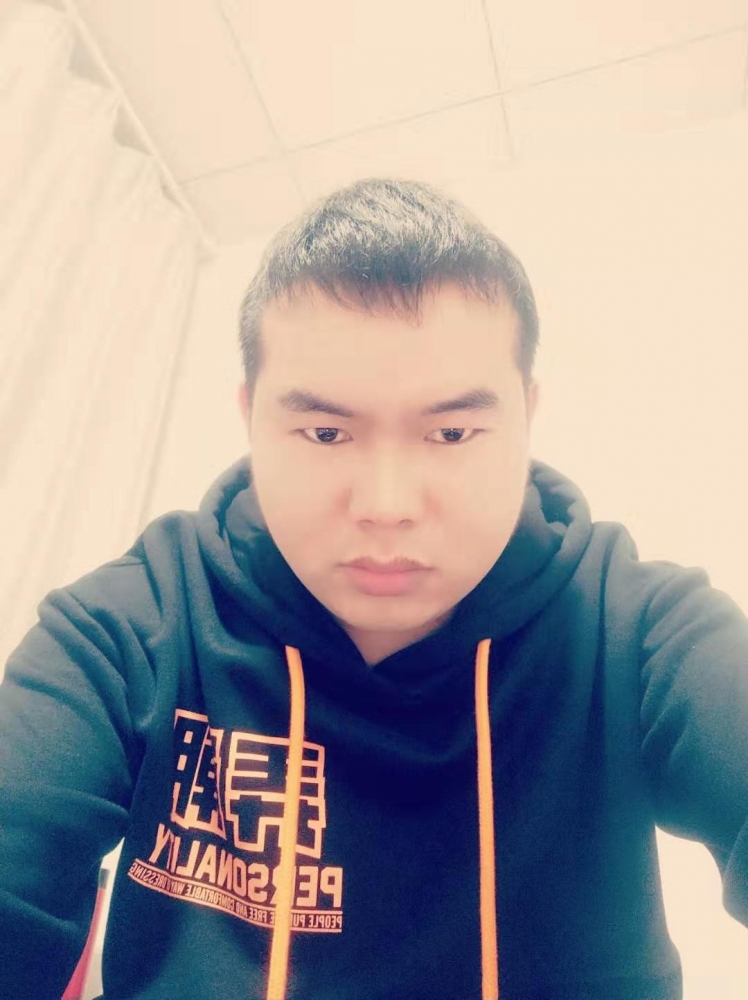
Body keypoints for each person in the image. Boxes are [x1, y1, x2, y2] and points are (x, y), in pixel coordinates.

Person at [1, 177, 746, 1000]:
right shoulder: (127, 631)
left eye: (452, 433)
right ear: (251, 419)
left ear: (526, 419)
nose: (387, 506)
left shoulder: (640, 632)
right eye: (325, 432)